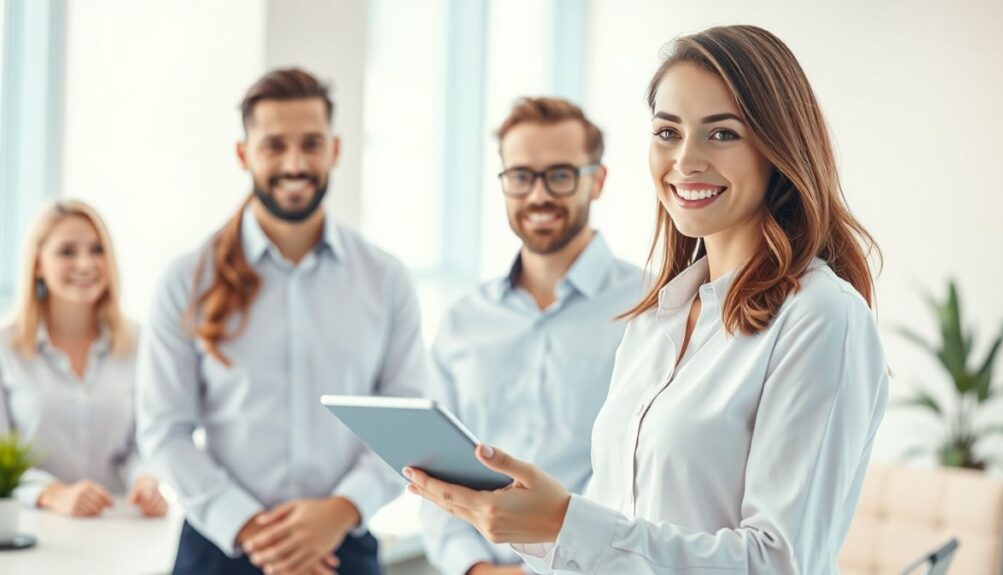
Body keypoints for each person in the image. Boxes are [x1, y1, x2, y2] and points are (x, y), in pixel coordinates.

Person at [407, 25, 888, 574]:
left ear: (778, 148)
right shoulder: (656, 317)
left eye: (722, 134)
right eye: (667, 132)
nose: (685, 160)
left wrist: (563, 522)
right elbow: (621, 539)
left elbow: (778, 563)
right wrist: (534, 534)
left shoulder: (821, 316)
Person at [136, 68, 427, 575]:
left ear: (334, 150)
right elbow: (164, 429)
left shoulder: (385, 279)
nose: (295, 163)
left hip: (341, 548)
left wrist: (339, 512)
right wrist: (254, 530)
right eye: (274, 146)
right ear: (243, 154)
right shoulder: (187, 279)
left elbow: (405, 422)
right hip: (219, 547)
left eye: (310, 144)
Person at [421, 97, 642, 575]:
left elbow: (650, 477)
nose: (538, 195)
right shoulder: (463, 321)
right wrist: (475, 568)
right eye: (521, 177)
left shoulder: (651, 309)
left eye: (560, 175)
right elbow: (432, 472)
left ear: (596, 180)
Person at [0, 200, 167, 518]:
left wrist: (145, 479)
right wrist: (51, 494)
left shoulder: (140, 343)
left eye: (97, 249)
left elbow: (146, 440)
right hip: (35, 528)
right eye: (67, 252)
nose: (86, 264)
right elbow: (1, 459)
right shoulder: (5, 348)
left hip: (120, 524)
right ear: (37, 263)